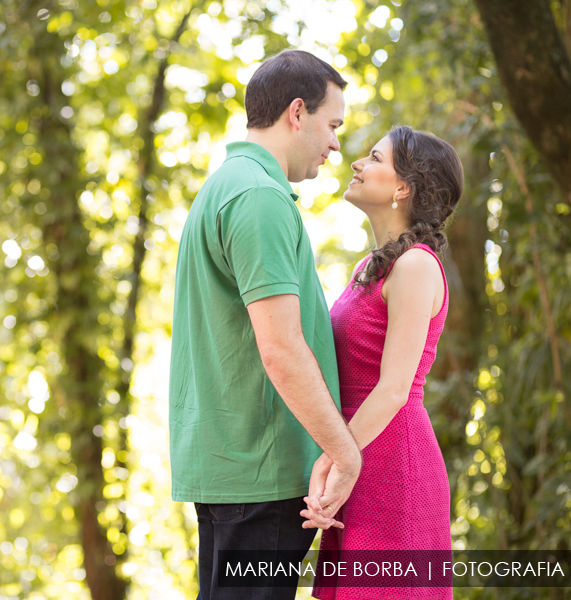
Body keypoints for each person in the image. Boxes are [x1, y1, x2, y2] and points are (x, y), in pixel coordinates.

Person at [169, 49, 363, 600]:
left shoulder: (231, 185)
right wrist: (345, 453)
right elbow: (279, 348)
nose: (334, 144)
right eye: (332, 125)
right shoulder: (259, 198)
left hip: (240, 468)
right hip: (263, 470)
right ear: (297, 113)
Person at [305, 126, 463, 600]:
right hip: (358, 453)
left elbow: (394, 389)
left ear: (402, 188)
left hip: (394, 463)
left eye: (374, 158)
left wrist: (334, 457)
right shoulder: (368, 266)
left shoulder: (416, 265)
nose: (356, 163)